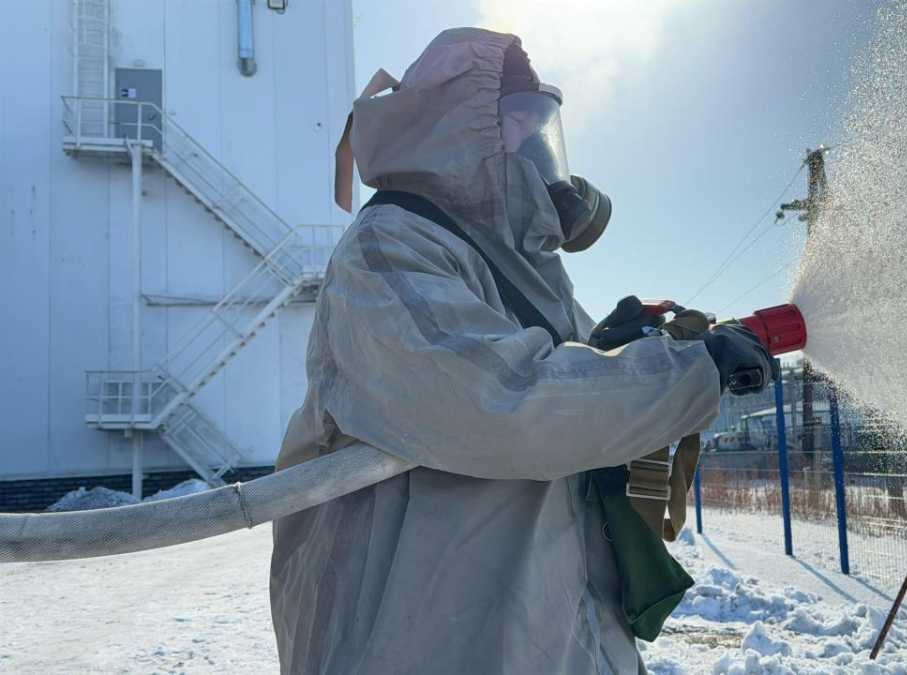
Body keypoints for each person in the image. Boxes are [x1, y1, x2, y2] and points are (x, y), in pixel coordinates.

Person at [270, 28, 772, 674]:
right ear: (455, 126)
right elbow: (502, 403)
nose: (534, 143)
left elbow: (558, 385)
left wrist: (609, 348)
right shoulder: (388, 249)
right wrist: (690, 369)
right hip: (419, 638)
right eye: (517, 121)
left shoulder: (524, 260)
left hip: (552, 621)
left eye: (543, 124)